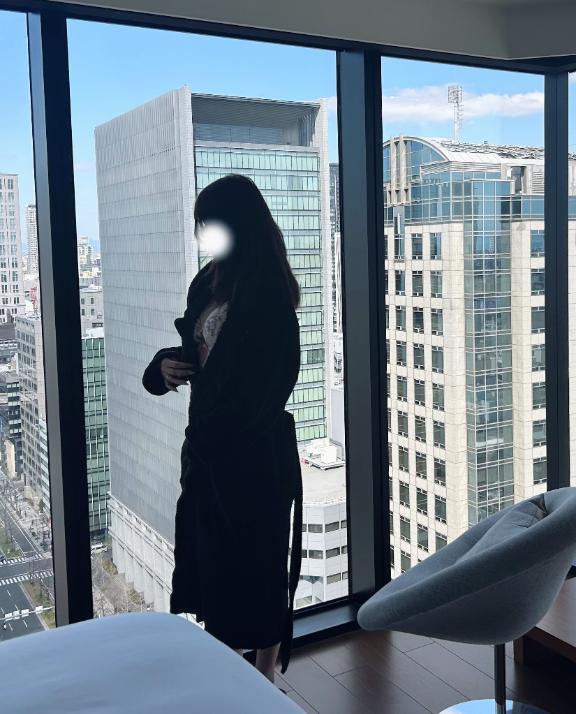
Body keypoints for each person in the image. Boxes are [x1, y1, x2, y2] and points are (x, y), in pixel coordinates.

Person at [142, 174, 303, 684]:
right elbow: (194, 351)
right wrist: (163, 367)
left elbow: (275, 382)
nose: (202, 234)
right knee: (218, 577)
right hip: (210, 457)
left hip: (252, 459)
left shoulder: (270, 295)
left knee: (260, 572)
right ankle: (231, 682)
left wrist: (221, 438)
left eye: (209, 224)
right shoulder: (209, 282)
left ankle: (262, 681)